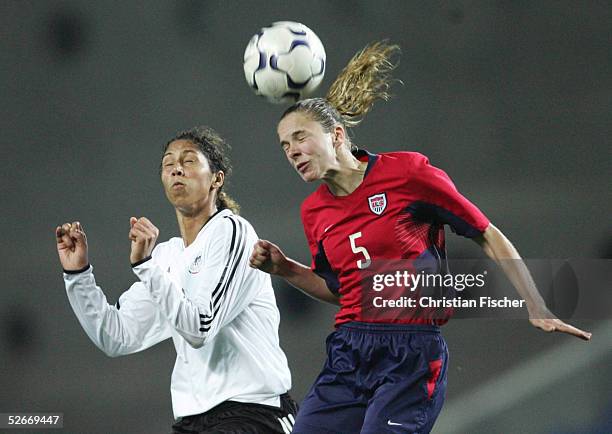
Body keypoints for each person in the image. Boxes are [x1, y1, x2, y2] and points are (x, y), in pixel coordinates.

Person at [249, 42, 592, 434]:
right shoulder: (314, 211)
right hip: (348, 351)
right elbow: (342, 290)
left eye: (300, 137)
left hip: (409, 352)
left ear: (338, 135)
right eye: (285, 146)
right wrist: (285, 269)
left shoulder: (407, 174)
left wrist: (537, 304)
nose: (292, 151)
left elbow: (486, 234)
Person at [56, 126, 298, 434]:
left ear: (217, 179)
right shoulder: (167, 256)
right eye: (168, 164)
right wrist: (78, 276)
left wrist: (145, 266)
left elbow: (201, 327)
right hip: (193, 419)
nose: (177, 169)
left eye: (189, 161)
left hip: (253, 413)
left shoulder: (231, 230)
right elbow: (115, 336)